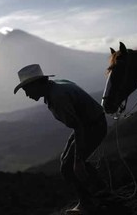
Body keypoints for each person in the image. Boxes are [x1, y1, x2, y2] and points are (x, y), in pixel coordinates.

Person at [14, 64, 108, 214]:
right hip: (91, 122)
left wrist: (77, 160)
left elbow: (78, 126)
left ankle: (88, 203)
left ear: (36, 84)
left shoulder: (57, 97)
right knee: (66, 162)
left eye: (27, 90)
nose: (27, 95)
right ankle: (101, 192)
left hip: (91, 126)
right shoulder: (57, 87)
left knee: (69, 165)